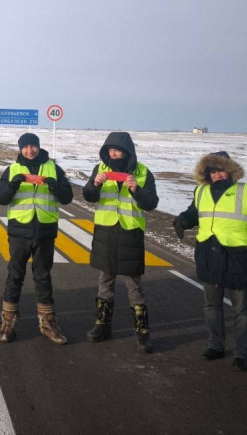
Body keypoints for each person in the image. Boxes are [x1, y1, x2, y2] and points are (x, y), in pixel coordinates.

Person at [173, 152, 247, 372]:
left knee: (241, 310)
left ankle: (242, 354)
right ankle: (216, 346)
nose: (216, 175)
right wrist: (183, 220)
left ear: (231, 170)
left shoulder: (246, 192)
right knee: (211, 306)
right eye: (212, 172)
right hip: (208, 255)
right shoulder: (200, 191)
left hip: (236, 258)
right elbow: (194, 212)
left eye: (220, 170)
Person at [0, 132, 74, 344]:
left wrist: (56, 186)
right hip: (20, 230)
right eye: (26, 147)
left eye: (33, 146)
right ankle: (8, 322)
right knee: (15, 276)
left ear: (39, 147)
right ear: (20, 149)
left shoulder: (53, 168)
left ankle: (47, 323)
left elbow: (67, 198)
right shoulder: (12, 170)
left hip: (45, 231)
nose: (30, 150)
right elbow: (0, 198)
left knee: (43, 277)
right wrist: (13, 184)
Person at [82, 132, 158, 353]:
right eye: (110, 151)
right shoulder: (100, 169)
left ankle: (142, 332)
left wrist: (137, 190)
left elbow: (151, 203)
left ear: (127, 152)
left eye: (117, 150)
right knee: (104, 281)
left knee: (134, 286)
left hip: (130, 234)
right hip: (105, 232)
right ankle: (102, 325)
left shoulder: (143, 172)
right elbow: (88, 196)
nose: (113, 154)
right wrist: (94, 185)